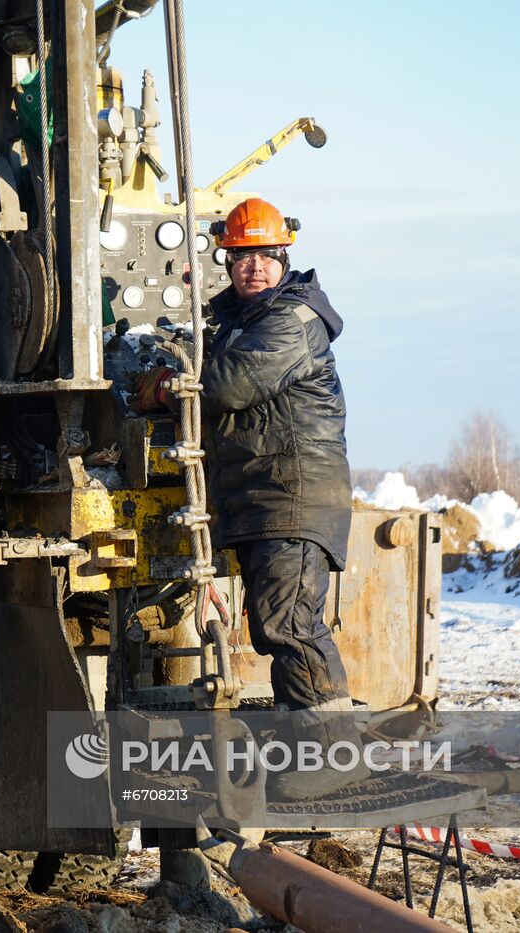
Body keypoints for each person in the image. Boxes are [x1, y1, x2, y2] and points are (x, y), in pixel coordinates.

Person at [134, 197, 364, 798]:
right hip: (265, 498)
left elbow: (232, 384)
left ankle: (332, 764)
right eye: (241, 257)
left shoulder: (292, 320)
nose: (253, 267)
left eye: (264, 255)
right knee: (274, 626)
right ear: (227, 261)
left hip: (293, 496)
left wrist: (164, 386)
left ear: (284, 256)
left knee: (289, 625)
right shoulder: (238, 320)